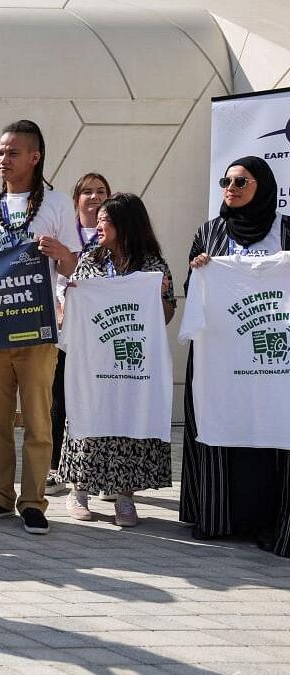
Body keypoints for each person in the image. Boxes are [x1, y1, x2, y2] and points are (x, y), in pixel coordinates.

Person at [0, 120, 80, 535]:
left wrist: (61, 252)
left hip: (37, 329)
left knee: (37, 417)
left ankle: (34, 501)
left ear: (35, 156)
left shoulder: (58, 204)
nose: (3, 159)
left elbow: (74, 268)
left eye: (12, 152)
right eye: (0, 152)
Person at [183, 156, 290, 556]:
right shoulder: (210, 232)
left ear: (261, 186)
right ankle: (219, 518)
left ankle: (273, 522)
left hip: (277, 361)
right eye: (225, 180)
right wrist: (199, 270)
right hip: (222, 356)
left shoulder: (285, 230)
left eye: (241, 181)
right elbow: (195, 288)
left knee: (277, 432)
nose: (230, 187)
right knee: (220, 426)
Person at [58, 193, 176, 526]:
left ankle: (125, 498)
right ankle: (78, 492)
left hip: (133, 361)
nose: (97, 226)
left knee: (131, 419)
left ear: (124, 225)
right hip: (95, 360)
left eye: (104, 221)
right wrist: (72, 296)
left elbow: (165, 316)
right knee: (89, 414)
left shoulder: (153, 266)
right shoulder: (91, 259)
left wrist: (158, 295)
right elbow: (73, 309)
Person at [48, 173, 112, 497]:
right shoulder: (66, 232)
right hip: (64, 325)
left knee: (97, 396)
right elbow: (59, 276)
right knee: (59, 396)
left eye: (101, 191)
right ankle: (56, 464)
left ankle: (97, 469)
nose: (94, 196)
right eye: (87, 191)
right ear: (76, 199)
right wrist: (59, 306)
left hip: (99, 330)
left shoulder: (112, 235)